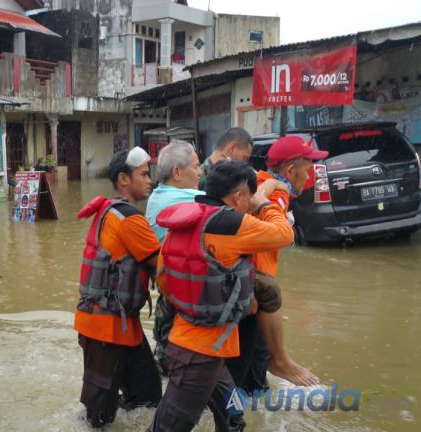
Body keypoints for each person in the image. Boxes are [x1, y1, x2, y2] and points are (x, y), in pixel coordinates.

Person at [150, 161, 294, 432]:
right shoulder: (232, 224)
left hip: (187, 339)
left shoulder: (184, 219)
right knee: (168, 428)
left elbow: (163, 277)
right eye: (248, 197)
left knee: (232, 417)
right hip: (199, 355)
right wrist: (264, 203)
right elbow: (285, 234)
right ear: (240, 196)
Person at [74, 147, 162, 428]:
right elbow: (164, 266)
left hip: (118, 325)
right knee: (98, 416)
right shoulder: (130, 219)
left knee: (147, 395)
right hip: (106, 329)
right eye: (144, 174)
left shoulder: (108, 209)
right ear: (124, 180)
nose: (150, 180)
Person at [246, 135, 328, 387]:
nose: (311, 174)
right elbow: (270, 235)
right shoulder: (277, 193)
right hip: (252, 287)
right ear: (291, 170)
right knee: (255, 363)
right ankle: (278, 363)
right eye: (309, 168)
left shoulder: (264, 183)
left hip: (241, 284)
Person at [144, 140, 205, 374]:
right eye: (196, 166)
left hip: (169, 294)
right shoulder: (189, 200)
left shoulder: (158, 196)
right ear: (177, 172)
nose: (200, 172)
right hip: (182, 301)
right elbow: (230, 205)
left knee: (167, 365)